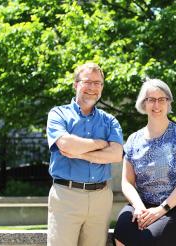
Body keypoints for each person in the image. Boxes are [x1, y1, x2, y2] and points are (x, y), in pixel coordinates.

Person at [114, 79, 176, 246]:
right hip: (144, 205)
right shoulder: (133, 139)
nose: (156, 104)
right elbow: (127, 181)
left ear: (168, 103)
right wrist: (139, 207)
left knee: (149, 240)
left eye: (161, 99)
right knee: (122, 231)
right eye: (151, 99)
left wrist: (160, 211)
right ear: (143, 103)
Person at [46, 62, 123, 246]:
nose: (93, 87)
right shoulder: (58, 114)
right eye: (87, 82)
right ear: (76, 84)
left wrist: (80, 152)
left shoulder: (109, 120)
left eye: (98, 83)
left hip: (101, 197)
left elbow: (116, 154)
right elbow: (65, 144)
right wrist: (99, 144)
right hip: (66, 195)